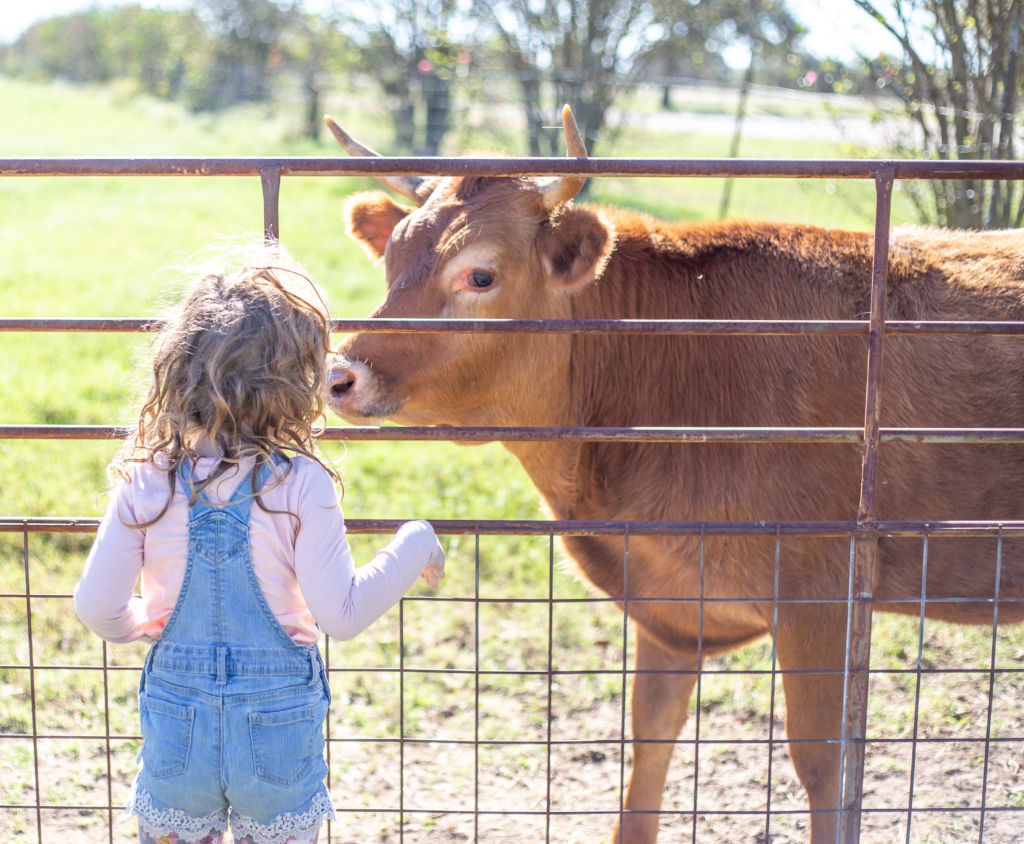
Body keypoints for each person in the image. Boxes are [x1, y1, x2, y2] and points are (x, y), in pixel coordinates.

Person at [74, 246, 445, 844]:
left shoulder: (149, 476)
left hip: (179, 724)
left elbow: (96, 608)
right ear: (297, 379)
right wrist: (416, 541)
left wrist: (143, 622)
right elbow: (341, 616)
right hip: (277, 727)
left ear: (181, 365)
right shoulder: (301, 483)